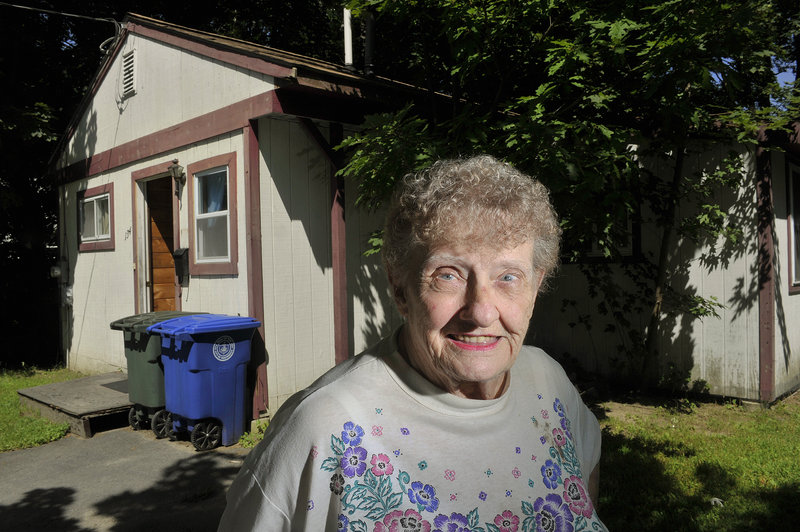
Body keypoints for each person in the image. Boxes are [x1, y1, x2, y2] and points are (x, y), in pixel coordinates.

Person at [218, 155, 606, 531]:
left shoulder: (548, 382)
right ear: (399, 287)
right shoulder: (325, 427)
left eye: (508, 277)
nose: (482, 312)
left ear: (536, 287)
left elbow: (584, 486)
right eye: (449, 275)